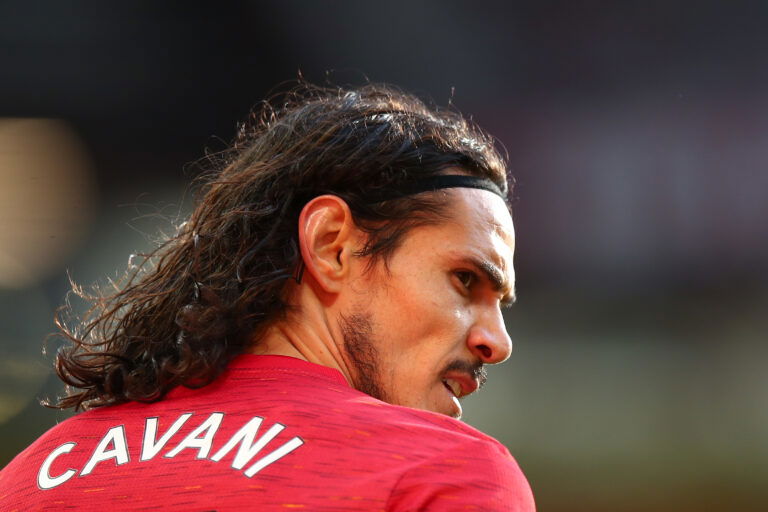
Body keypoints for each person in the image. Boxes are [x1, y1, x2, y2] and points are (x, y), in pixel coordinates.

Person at [0, 83, 535, 511]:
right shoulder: (443, 474)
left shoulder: (27, 481)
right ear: (332, 245)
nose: (498, 342)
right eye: (466, 281)